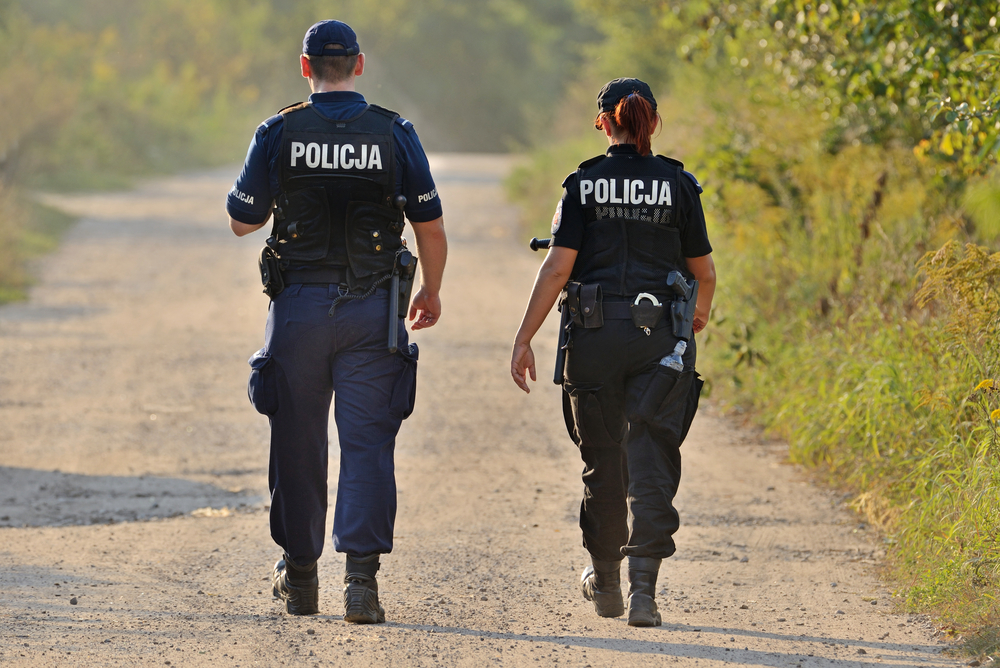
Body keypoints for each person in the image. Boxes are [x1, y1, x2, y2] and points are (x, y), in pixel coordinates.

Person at [226, 19, 447, 623]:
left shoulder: (278, 130)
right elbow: (430, 225)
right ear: (359, 64)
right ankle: (360, 586)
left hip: (297, 310)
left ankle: (300, 581)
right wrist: (429, 289)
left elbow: (243, 220)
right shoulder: (395, 133)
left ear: (305, 67)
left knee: (297, 443)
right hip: (375, 314)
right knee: (368, 444)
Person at [510, 78, 716, 627]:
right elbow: (705, 274)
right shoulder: (679, 184)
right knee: (652, 460)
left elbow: (557, 268)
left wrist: (524, 337)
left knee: (603, 461)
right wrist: (692, 320)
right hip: (662, 345)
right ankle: (643, 592)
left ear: (604, 121)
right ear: (654, 122)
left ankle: (605, 585)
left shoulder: (583, 183)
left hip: (595, 339)